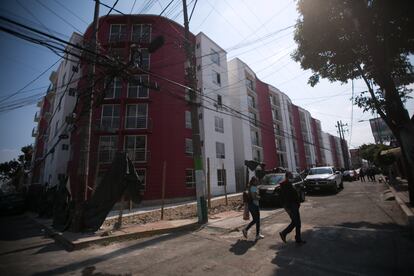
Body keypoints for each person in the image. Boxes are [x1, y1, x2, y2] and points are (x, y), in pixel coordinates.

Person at [279, 171, 306, 244]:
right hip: (291, 206)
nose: (292, 177)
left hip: (294, 205)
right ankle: (289, 235)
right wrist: (287, 208)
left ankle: (287, 234)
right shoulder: (285, 185)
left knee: (295, 222)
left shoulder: (289, 184)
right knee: (297, 223)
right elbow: (284, 198)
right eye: (290, 176)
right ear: (287, 176)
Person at [242, 176, 264, 241]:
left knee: (255, 220)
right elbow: (254, 197)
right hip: (254, 205)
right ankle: (257, 235)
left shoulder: (250, 187)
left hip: (251, 205)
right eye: (256, 181)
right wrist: (260, 197)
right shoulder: (253, 187)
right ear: (254, 181)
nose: (257, 182)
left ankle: (245, 229)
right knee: (257, 220)